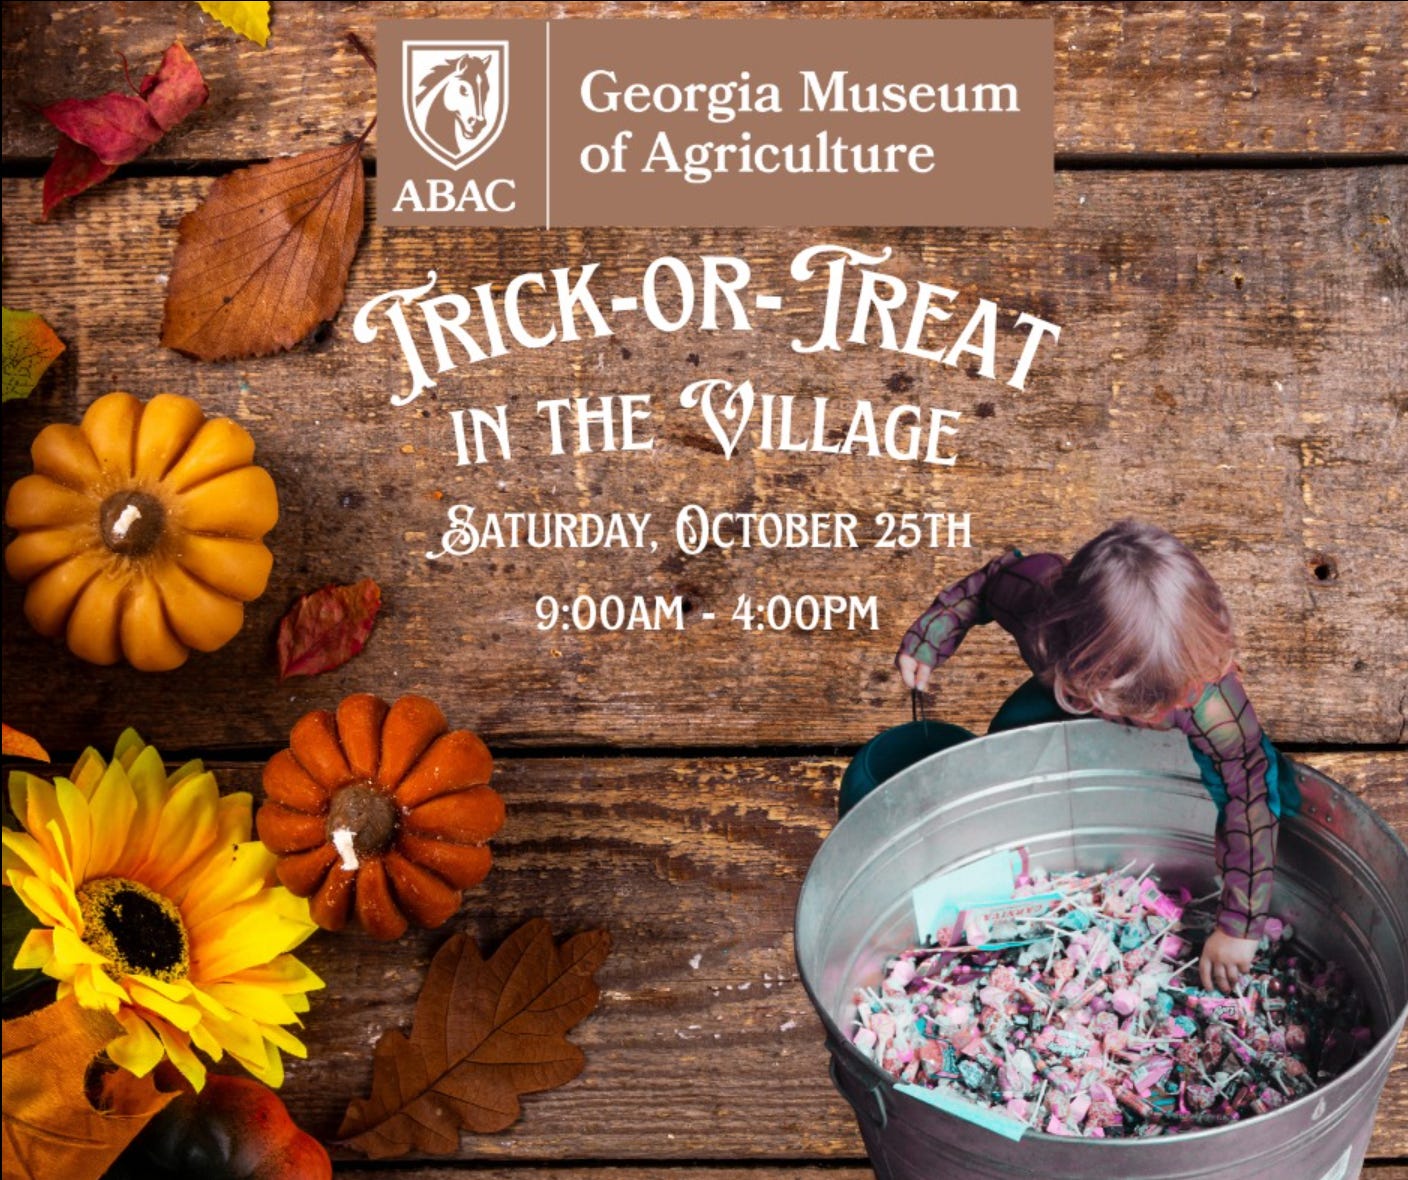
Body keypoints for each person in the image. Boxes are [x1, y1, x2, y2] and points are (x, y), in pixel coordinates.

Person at [894, 521, 1298, 995]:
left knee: (1268, 785)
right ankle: (1013, 849)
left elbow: (1245, 791)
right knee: (1012, 737)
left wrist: (1239, 925)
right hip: (1062, 701)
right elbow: (987, 584)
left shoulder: (1208, 701)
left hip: (1188, 736)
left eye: (1166, 702)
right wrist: (931, 635)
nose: (1157, 713)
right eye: (1146, 706)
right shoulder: (1037, 604)